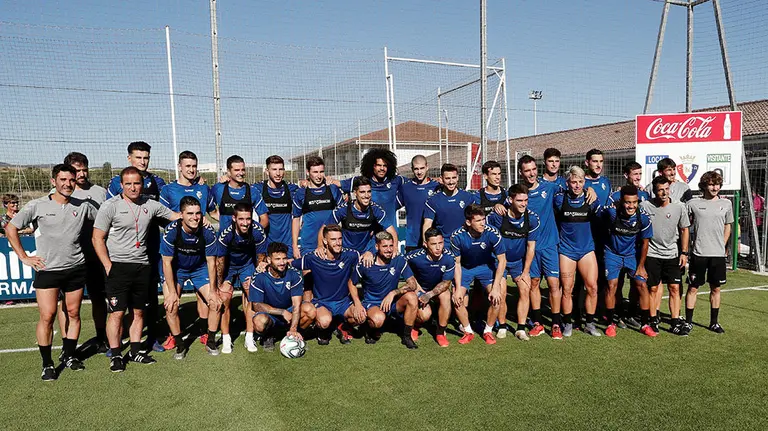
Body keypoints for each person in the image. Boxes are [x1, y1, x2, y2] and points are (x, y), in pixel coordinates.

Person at [5, 164, 98, 381]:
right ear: (53, 181)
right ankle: (47, 363)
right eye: (63, 180)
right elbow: (11, 228)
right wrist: (24, 257)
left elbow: (104, 220)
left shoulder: (83, 206)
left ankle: (69, 354)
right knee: (47, 316)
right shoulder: (37, 205)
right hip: (48, 270)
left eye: (71, 180)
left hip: (75, 268)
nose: (67, 184)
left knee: (73, 313)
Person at [93, 167, 179, 373]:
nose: (133, 187)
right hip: (117, 267)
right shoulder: (110, 206)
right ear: (121, 185)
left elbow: (175, 216)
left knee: (139, 312)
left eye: (137, 183)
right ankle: (116, 355)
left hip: (142, 266)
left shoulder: (150, 204)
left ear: (142, 184)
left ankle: (134, 351)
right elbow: (97, 238)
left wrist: (197, 216)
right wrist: (108, 265)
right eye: (128, 184)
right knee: (116, 313)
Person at [518, 155, 597, 339]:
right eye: (527, 170)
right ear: (521, 173)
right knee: (534, 283)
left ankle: (556, 323)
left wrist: (590, 187)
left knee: (555, 284)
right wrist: (499, 205)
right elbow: (507, 205)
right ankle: (538, 322)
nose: (531, 173)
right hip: (530, 246)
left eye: (533, 169)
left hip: (550, 244)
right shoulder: (519, 194)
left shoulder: (550, 187)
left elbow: (574, 184)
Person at [106, 141, 167, 352]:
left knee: (149, 296)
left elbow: (164, 212)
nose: (143, 161)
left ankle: (151, 338)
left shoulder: (157, 182)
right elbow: (109, 214)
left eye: (146, 157)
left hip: (150, 248)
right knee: (119, 302)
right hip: (123, 253)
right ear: (129, 158)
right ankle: (116, 342)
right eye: (138, 157)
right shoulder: (117, 183)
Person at [160, 196, 221, 358]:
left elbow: (211, 262)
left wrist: (213, 291)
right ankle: (180, 344)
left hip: (199, 269)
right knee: (171, 305)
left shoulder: (207, 231)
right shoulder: (172, 231)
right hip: (177, 270)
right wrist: (172, 292)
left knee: (215, 302)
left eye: (198, 213)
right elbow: (166, 263)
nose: (195, 217)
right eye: (190, 213)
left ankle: (210, 340)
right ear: (181, 215)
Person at [64, 152, 110, 353]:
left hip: (94, 255)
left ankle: (101, 338)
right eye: (77, 170)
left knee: (99, 298)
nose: (82, 174)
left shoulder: (100, 192)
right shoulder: (61, 192)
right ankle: (67, 345)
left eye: (84, 169)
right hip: (69, 256)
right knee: (67, 304)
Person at [293, 224, 365, 345]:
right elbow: (290, 264)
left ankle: (343, 327)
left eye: (340, 239)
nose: (338, 243)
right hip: (322, 302)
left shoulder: (350, 255)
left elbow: (368, 260)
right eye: (333, 239)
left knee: (361, 317)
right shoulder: (314, 257)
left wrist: (368, 253)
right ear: (325, 241)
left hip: (343, 302)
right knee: (325, 322)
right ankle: (322, 331)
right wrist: (266, 264)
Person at [487, 184, 540, 341]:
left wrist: (526, 271)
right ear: (510, 200)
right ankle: (502, 326)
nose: (524, 204)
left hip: (518, 263)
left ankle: (521, 329)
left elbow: (531, 247)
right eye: (520, 200)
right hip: (500, 262)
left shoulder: (532, 219)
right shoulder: (498, 216)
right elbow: (488, 237)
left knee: (525, 289)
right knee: (501, 293)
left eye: (526, 200)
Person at [554, 166, 602, 337]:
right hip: (566, 250)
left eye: (580, 182)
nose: (577, 185)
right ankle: (568, 323)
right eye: (573, 182)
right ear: (567, 182)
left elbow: (602, 219)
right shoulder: (560, 199)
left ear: (584, 182)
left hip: (586, 250)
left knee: (593, 287)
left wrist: (592, 191)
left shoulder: (591, 199)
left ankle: (589, 323)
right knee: (567, 289)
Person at [350, 231, 420, 349]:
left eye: (391, 246)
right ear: (377, 247)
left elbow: (412, 284)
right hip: (373, 303)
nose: (389, 250)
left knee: (412, 297)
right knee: (378, 320)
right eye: (385, 246)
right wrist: (357, 303)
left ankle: (407, 336)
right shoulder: (366, 263)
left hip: (392, 302)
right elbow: (351, 283)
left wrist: (394, 293)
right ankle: (368, 328)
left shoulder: (398, 259)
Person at [450, 204, 507, 345]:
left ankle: (488, 331)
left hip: (486, 267)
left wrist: (495, 288)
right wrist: (458, 288)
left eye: (483, 219)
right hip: (465, 268)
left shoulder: (492, 233)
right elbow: (457, 263)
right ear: (468, 222)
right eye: (478, 220)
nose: (483, 223)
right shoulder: (457, 236)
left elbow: (502, 260)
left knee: (497, 297)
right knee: (457, 298)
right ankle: (468, 331)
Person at [640, 176, 690, 335]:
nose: (664, 193)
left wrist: (684, 252)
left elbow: (684, 229)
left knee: (674, 287)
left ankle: (675, 322)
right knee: (653, 288)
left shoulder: (679, 207)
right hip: (652, 254)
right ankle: (653, 319)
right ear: (654, 191)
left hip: (672, 254)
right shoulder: (645, 206)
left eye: (666, 189)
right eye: (660, 190)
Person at [603, 186, 655, 337]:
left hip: (632, 255)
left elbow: (645, 243)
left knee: (641, 284)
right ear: (621, 202)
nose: (631, 206)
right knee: (612, 285)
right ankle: (610, 323)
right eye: (627, 202)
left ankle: (645, 324)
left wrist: (641, 266)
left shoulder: (643, 218)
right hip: (612, 254)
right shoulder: (611, 213)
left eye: (634, 202)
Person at [685, 170, 733, 334]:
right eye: (712, 184)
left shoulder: (726, 204)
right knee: (693, 288)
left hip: (717, 255)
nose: (715, 188)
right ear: (704, 185)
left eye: (717, 184)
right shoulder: (693, 203)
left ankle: (714, 323)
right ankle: (688, 322)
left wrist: (722, 245)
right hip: (698, 254)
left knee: (716, 289)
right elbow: (685, 226)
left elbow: (728, 226)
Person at [216, 203, 267, 353]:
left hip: (247, 265)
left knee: (251, 294)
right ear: (234, 218)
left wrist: (255, 279)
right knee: (225, 297)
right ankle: (226, 339)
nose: (245, 223)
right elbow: (220, 261)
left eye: (248, 219)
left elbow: (261, 259)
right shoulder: (226, 234)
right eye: (241, 219)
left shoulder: (258, 231)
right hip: (229, 267)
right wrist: (220, 284)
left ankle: (249, 337)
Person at [251, 242, 314, 352]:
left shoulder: (294, 274)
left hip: (290, 311)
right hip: (271, 314)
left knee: (310, 310)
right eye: (277, 259)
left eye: (284, 258)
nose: (282, 262)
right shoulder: (259, 276)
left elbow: (296, 305)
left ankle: (295, 334)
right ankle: (269, 335)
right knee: (259, 322)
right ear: (269, 260)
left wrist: (293, 328)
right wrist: (281, 312)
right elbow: (256, 305)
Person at [319, 177, 397, 264]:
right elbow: (324, 228)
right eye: (362, 192)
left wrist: (395, 249)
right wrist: (320, 246)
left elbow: (391, 230)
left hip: (365, 254)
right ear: (355, 193)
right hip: (346, 253)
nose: (366, 195)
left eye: (369, 192)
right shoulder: (344, 209)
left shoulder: (375, 209)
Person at [405, 228, 455, 347]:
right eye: (433, 244)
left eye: (440, 243)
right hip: (419, 289)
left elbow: (446, 283)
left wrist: (429, 295)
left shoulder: (449, 257)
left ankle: (440, 332)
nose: (438, 247)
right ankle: (416, 325)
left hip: (437, 290)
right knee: (425, 315)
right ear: (425, 244)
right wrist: (416, 287)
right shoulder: (415, 256)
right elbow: (401, 265)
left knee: (446, 295)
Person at [337, 148, 404, 230]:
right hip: (370, 233)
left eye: (385, 165)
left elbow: (413, 185)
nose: (382, 168)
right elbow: (337, 183)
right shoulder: (363, 181)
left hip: (390, 232)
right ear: (372, 166)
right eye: (379, 165)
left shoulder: (396, 180)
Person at [291, 156, 343, 258]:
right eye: (315, 172)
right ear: (308, 172)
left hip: (330, 245)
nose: (319, 176)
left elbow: (344, 214)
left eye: (321, 172)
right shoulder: (301, 192)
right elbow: (296, 219)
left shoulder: (332, 189)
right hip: (309, 245)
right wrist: (295, 246)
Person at [210, 154, 269, 233]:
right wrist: (223, 221)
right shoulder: (218, 189)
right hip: (225, 240)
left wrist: (254, 233)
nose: (241, 173)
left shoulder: (252, 191)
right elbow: (210, 210)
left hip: (246, 240)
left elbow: (264, 219)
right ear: (229, 171)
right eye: (237, 170)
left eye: (243, 170)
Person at [254, 155, 299, 257]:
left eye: (281, 169)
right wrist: (225, 181)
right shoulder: (258, 189)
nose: (278, 173)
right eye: (274, 169)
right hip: (267, 247)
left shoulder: (292, 189)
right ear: (267, 171)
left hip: (287, 246)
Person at [397, 155, 440, 253]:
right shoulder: (406, 188)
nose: (419, 172)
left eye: (422, 168)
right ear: (412, 169)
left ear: (427, 167)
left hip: (433, 239)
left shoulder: (436, 187)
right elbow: (392, 209)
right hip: (412, 240)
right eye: (416, 169)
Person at [422, 163, 474, 241]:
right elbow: (427, 224)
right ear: (441, 179)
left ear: (458, 177)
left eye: (454, 178)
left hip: (464, 242)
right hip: (444, 243)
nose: (451, 182)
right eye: (447, 178)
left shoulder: (468, 197)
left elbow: (475, 219)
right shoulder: (433, 200)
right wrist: (425, 241)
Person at [159, 151, 216, 216]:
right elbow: (162, 215)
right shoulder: (168, 189)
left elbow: (214, 213)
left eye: (194, 166)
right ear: (179, 167)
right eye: (188, 166)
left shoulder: (204, 188)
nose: (191, 170)